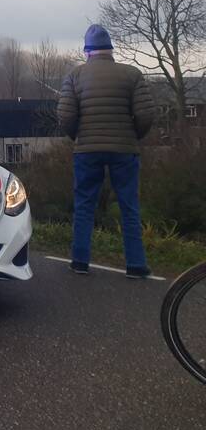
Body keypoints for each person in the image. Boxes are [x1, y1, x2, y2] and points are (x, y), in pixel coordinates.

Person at [57, 24, 155, 279]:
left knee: (85, 205)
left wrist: (78, 136)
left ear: (87, 51)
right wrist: (133, 136)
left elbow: (66, 115)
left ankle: (80, 261)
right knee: (129, 206)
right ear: (110, 49)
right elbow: (146, 113)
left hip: (87, 151)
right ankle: (135, 265)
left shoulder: (75, 76)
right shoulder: (132, 74)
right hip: (125, 149)